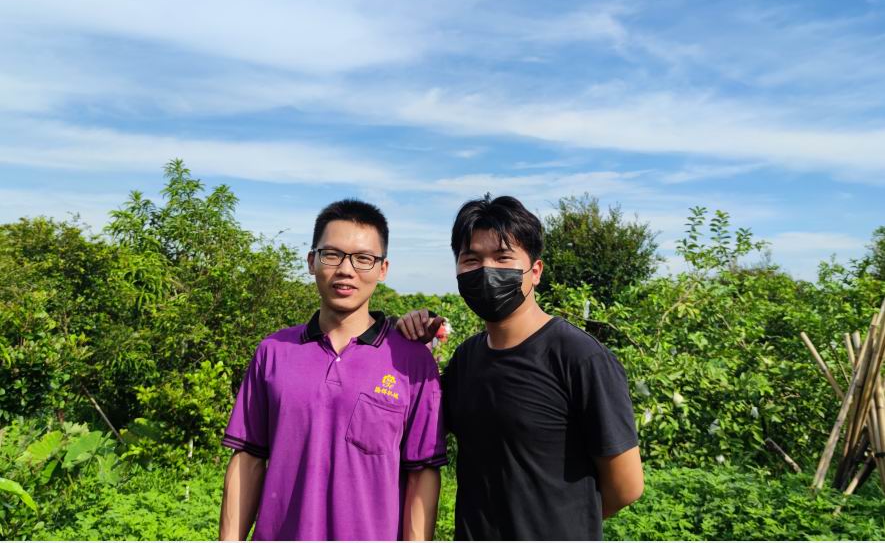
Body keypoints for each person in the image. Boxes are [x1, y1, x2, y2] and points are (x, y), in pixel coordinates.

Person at [397, 194, 643, 540]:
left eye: (503, 257)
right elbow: (415, 424)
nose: (487, 270)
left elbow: (626, 486)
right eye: (471, 259)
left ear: (535, 271)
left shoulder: (579, 357)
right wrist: (410, 348)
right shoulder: (466, 359)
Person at [219, 199, 447, 541]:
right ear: (312, 261)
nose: (346, 269)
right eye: (332, 255)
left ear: (383, 269)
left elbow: (422, 472)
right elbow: (248, 457)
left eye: (363, 258)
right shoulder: (274, 351)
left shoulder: (412, 362)